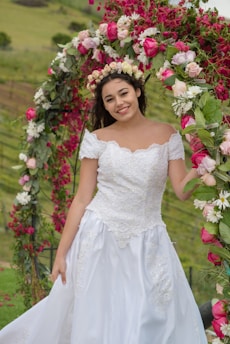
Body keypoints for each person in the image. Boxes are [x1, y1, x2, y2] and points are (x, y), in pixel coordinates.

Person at [0, 60, 208, 343]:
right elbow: (82, 197)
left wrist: (207, 161)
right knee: (97, 315)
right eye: (109, 99)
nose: (118, 103)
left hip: (148, 241)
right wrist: (61, 254)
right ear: (104, 105)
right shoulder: (97, 139)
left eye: (123, 93)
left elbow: (183, 190)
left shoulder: (167, 134)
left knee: (147, 315)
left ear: (137, 90)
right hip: (99, 237)